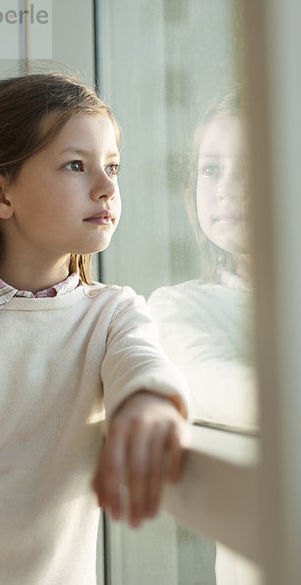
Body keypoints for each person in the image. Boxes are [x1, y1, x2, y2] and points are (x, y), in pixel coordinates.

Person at [0, 73, 190, 585]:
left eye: (113, 167)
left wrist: (148, 406)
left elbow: (144, 366)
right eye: (76, 165)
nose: (106, 187)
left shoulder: (112, 316)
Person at [149, 88, 258, 433]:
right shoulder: (179, 307)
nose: (228, 187)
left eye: (255, 165)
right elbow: (224, 392)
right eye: (211, 169)